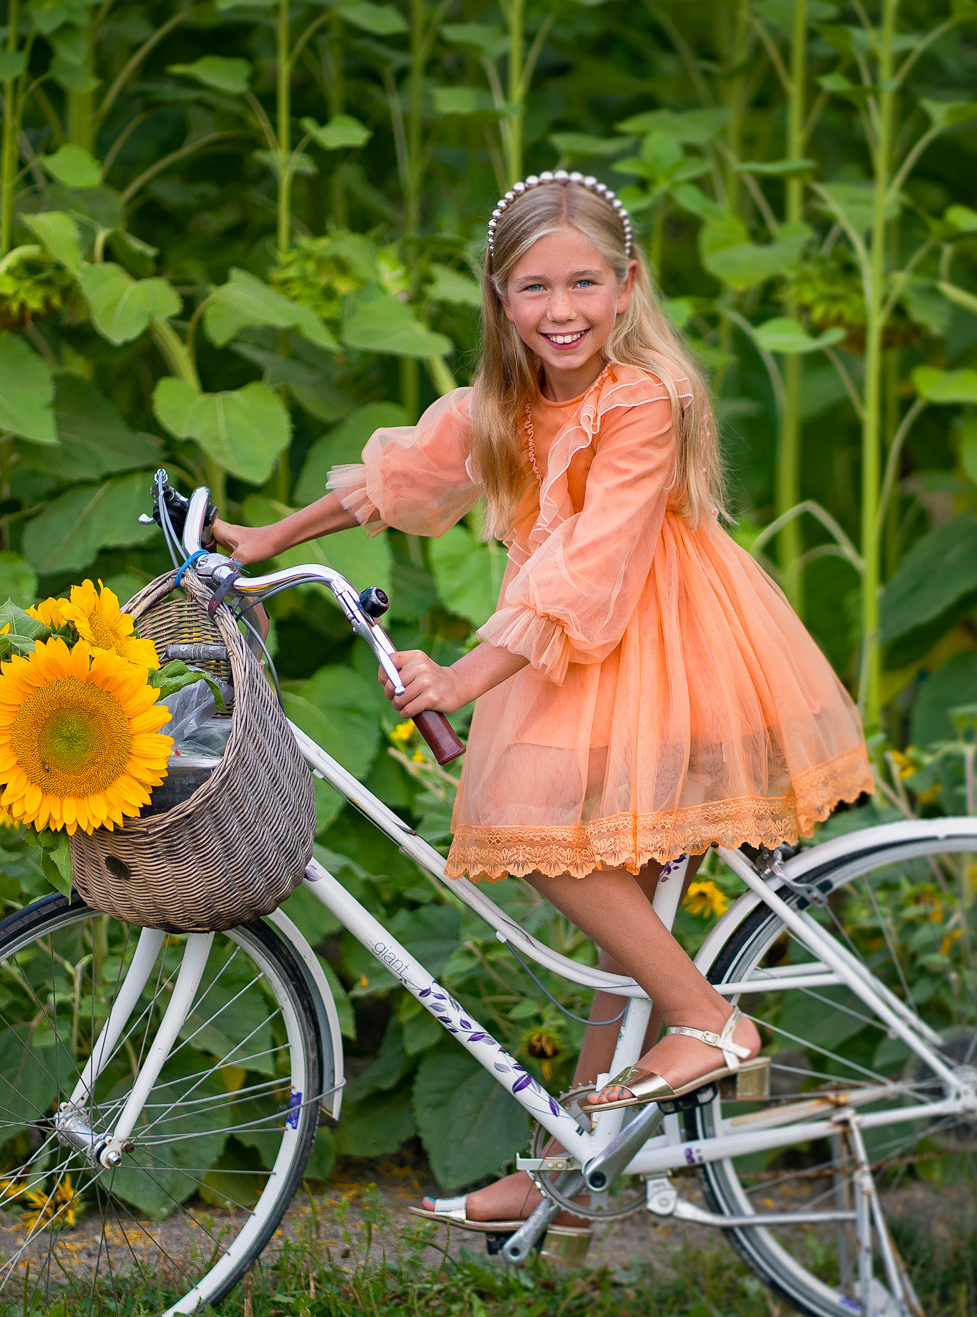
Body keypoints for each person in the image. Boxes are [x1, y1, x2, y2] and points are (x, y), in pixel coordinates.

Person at [209, 172, 873, 1242]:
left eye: (582, 283)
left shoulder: (642, 397)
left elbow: (588, 569)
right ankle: (574, 1173)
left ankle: (708, 1022)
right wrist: (270, 540)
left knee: (540, 833)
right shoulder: (507, 401)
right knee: (630, 916)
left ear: (625, 286)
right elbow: (413, 470)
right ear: (498, 295)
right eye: (532, 287)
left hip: (663, 648)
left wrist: (461, 677)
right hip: (581, 652)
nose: (559, 309)